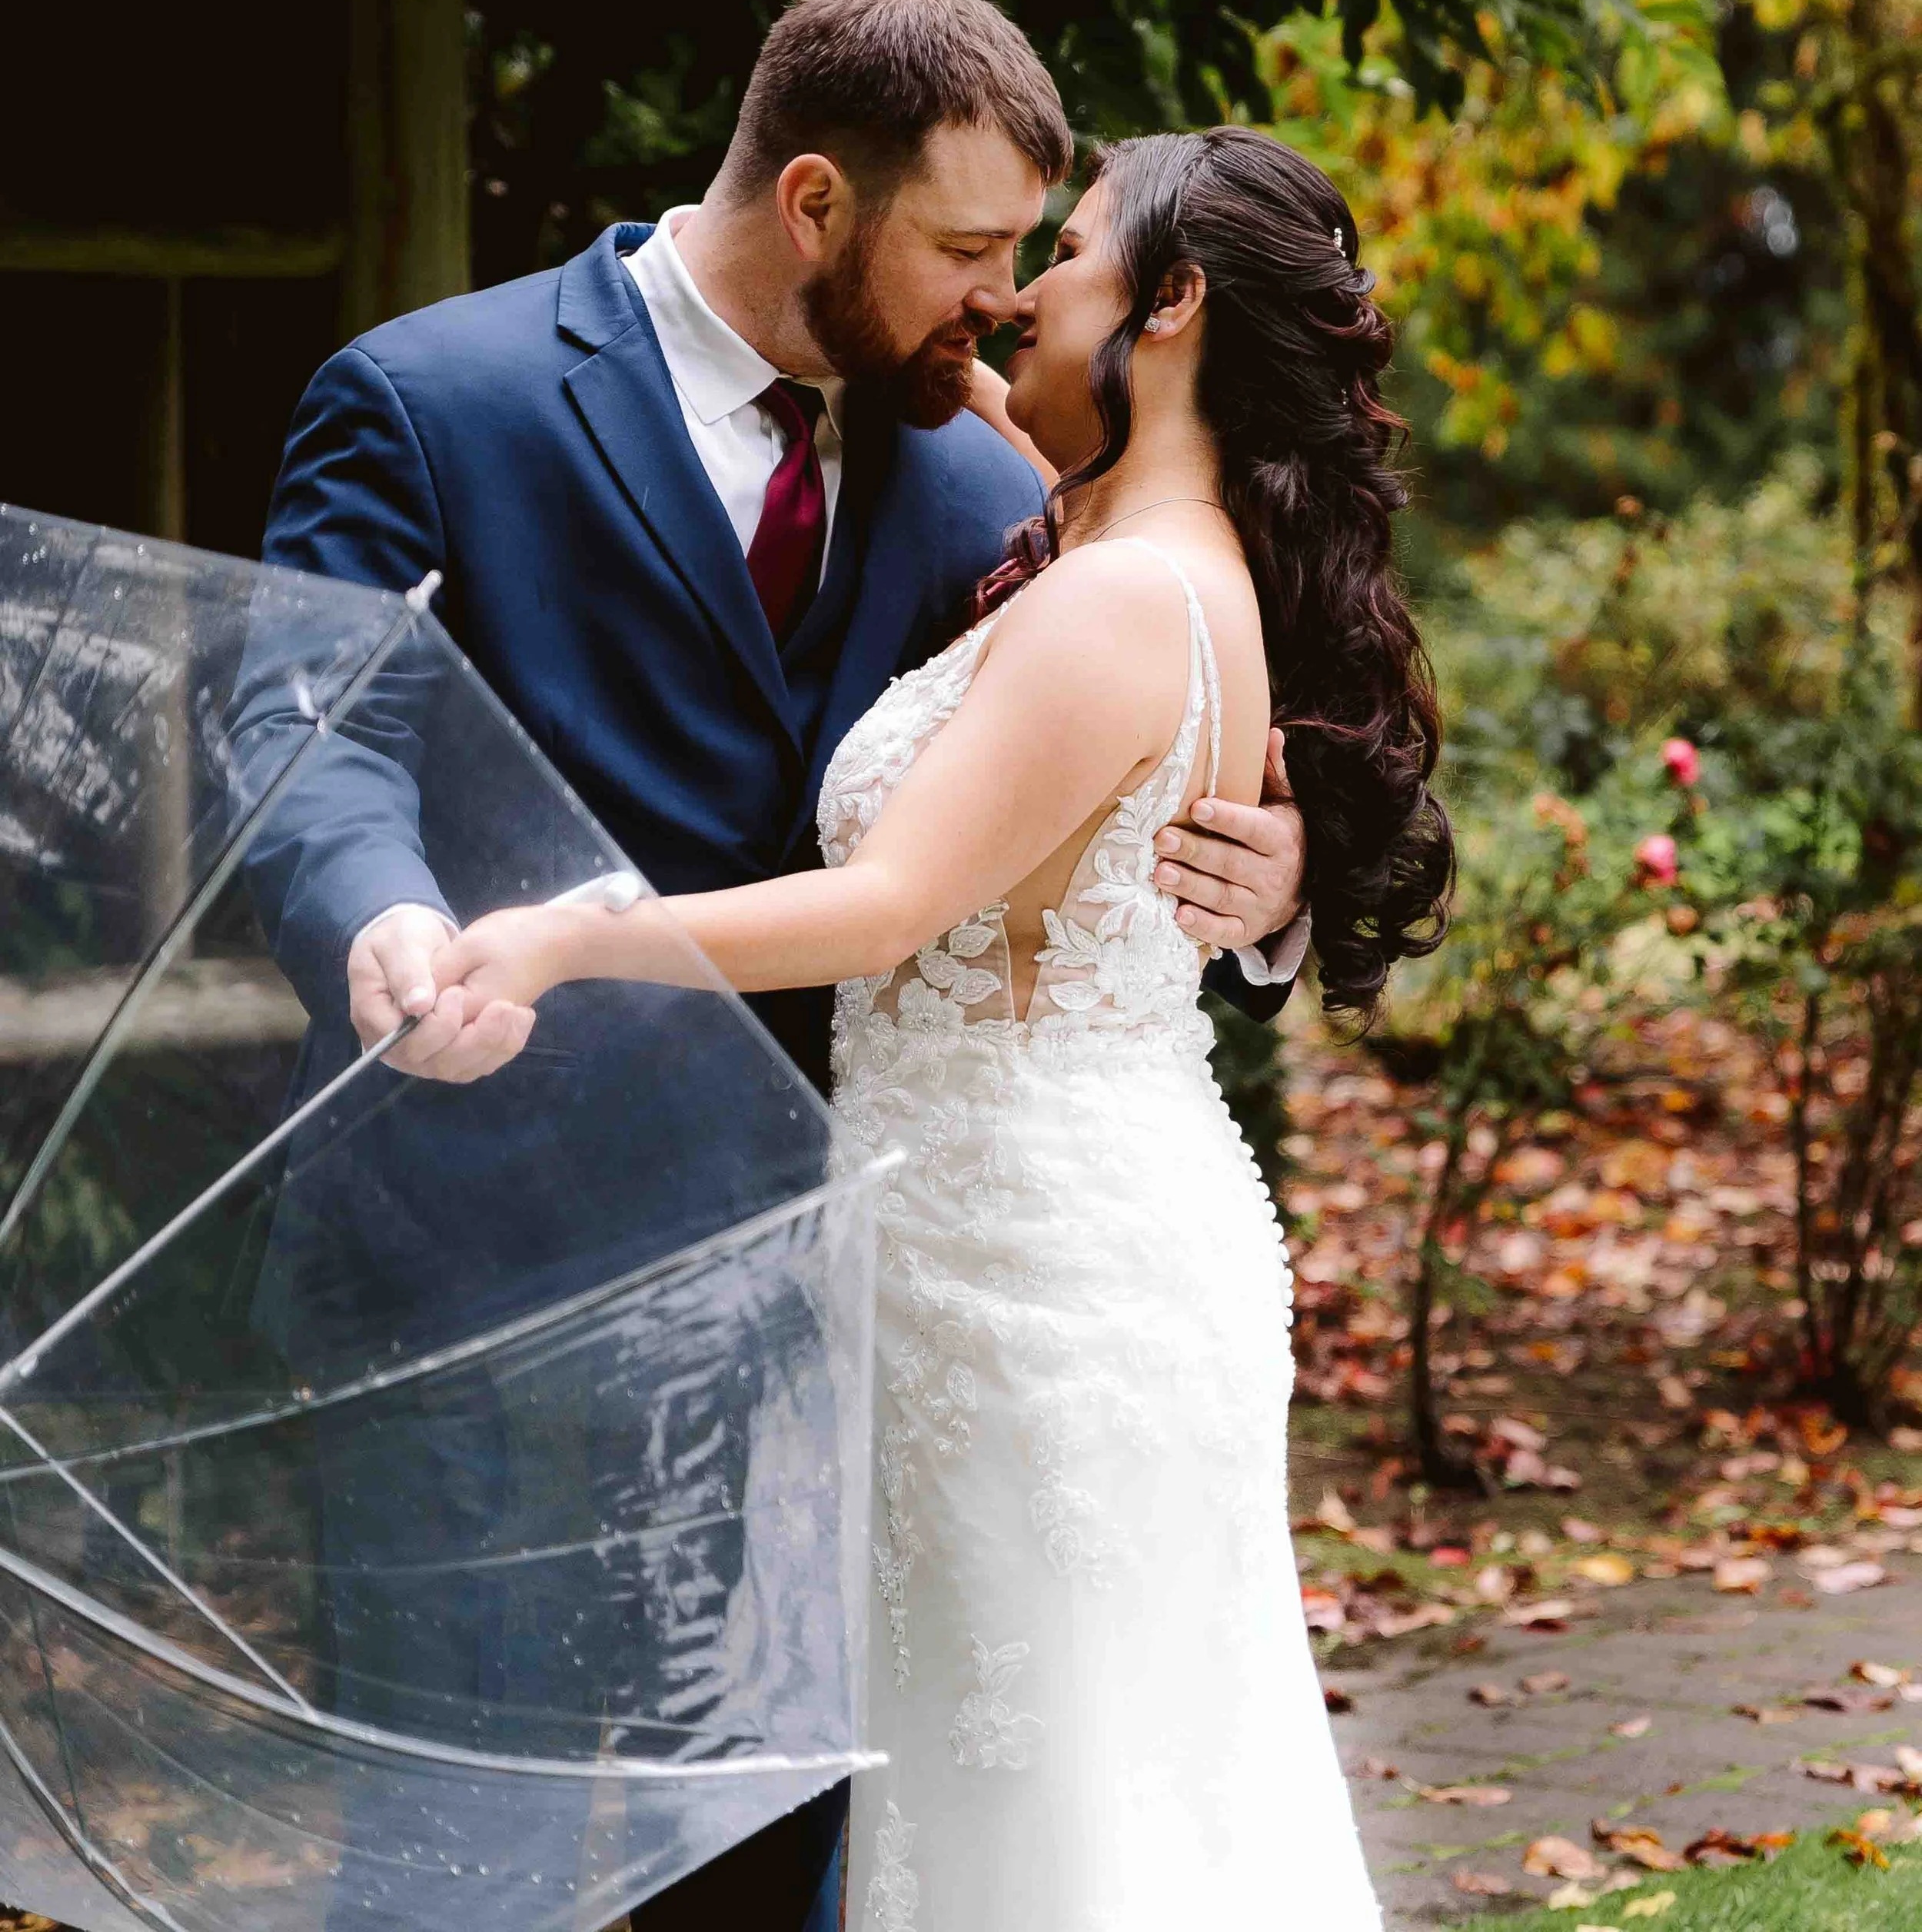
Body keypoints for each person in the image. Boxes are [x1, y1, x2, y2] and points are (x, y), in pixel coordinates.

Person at [254, 0, 1311, 1932]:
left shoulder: (992, 472)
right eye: (968, 247)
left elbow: (1122, 733)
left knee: (779, 1875)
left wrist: (1266, 872)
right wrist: (386, 912)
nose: (1002, 302)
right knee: (448, 1869)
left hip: (829, 1311)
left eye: (1030, 255)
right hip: (476, 1268)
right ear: (817, 202)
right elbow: (310, 735)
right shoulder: (430, 396)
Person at [431, 123, 1456, 1931]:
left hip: (1028, 1282)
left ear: (1174, 301)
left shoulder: (1128, 594)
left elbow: (892, 903)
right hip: (1040, 1235)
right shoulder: (1136, 546)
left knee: (1050, 1815)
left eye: (1063, 253)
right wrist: (1000, 397)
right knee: (1091, 1781)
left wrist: (562, 940)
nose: (1022, 293)